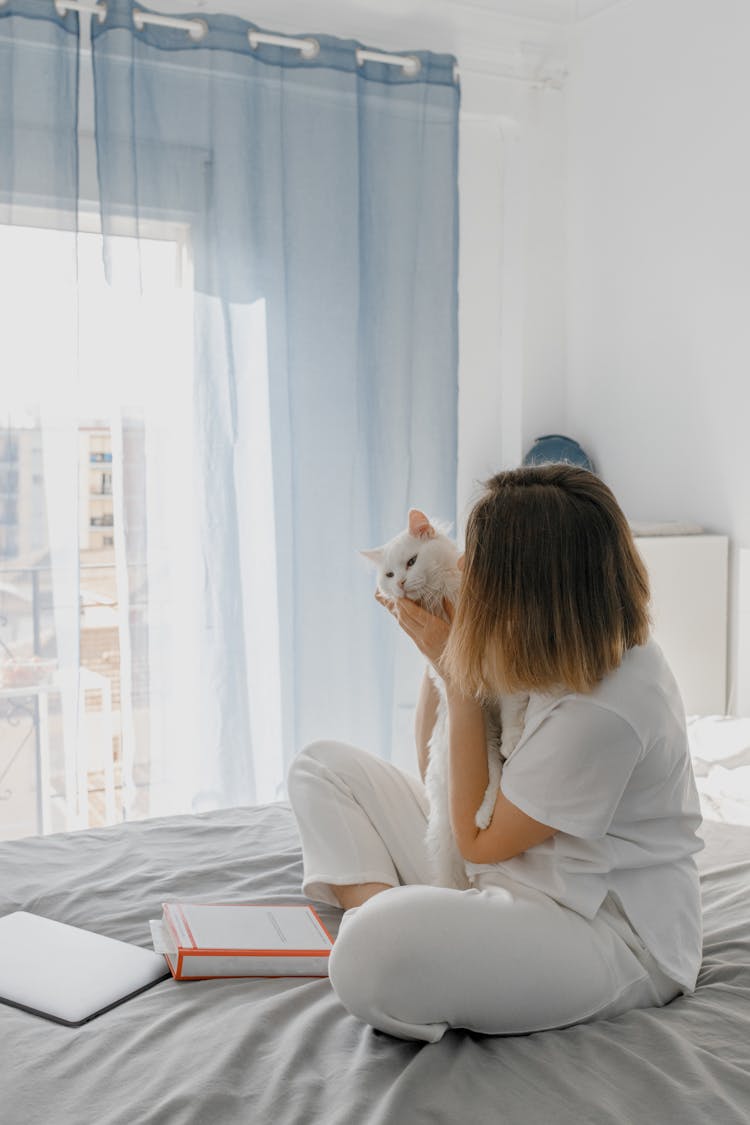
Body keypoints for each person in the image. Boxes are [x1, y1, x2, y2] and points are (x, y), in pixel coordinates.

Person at [287, 465, 704, 1043]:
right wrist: (443, 660)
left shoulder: (607, 707)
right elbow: (435, 770)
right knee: (320, 766)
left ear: (529, 579)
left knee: (366, 952)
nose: (466, 569)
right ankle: (401, 914)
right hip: (502, 864)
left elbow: (475, 841)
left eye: (481, 561)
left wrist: (456, 673)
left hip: (595, 923)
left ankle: (397, 923)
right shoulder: (546, 632)